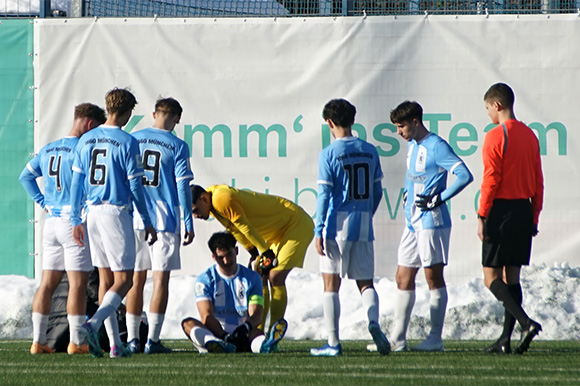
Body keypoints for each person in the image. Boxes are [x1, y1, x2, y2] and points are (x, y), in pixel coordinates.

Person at [70, 88, 158, 358]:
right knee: (125, 280)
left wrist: (76, 218)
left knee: (106, 280)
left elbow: (77, 182)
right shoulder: (127, 141)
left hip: (91, 213)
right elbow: (135, 185)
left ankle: (115, 346)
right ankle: (92, 325)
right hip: (115, 212)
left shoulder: (86, 140)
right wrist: (146, 218)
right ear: (128, 112)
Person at [19, 103, 106, 355]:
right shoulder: (82, 148)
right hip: (72, 219)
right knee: (77, 284)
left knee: (47, 283)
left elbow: (25, 177)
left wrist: (43, 202)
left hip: (52, 221)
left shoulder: (49, 148)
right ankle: (77, 341)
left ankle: (38, 341)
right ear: (90, 124)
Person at [389, 101, 473, 352]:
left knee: (432, 276)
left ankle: (435, 339)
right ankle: (398, 339)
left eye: (401, 126)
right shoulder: (412, 145)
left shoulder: (437, 146)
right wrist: (407, 196)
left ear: (415, 122)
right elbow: (414, 178)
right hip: (412, 222)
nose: (398, 132)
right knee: (403, 276)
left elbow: (465, 175)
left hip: (432, 222)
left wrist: (439, 198)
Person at [310, 98, 390, 357]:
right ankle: (374, 323)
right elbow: (377, 191)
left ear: (330, 123)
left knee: (330, 284)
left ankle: (333, 343)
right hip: (364, 222)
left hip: (337, 225)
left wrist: (319, 229)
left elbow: (324, 195)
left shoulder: (329, 153)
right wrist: (366, 213)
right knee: (365, 282)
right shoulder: (370, 149)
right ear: (353, 120)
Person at [190, 184, 314, 342]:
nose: (195, 216)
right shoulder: (214, 206)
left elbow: (244, 225)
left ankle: (274, 331)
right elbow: (235, 230)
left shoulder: (220, 198)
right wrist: (254, 252)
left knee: (275, 276)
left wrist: (265, 251)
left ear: (203, 199)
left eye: (194, 210)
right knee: (261, 274)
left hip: (295, 224)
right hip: (277, 233)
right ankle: (259, 332)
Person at [125, 97, 195, 354]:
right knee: (160, 280)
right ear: (177, 119)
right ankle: (152, 340)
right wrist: (188, 220)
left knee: (135, 279)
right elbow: (182, 186)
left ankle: (133, 339)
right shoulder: (177, 145)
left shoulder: (134, 138)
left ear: (154, 113)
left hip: (135, 218)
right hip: (164, 220)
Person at [478, 83, 543, 354]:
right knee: (512, 277)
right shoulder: (530, 135)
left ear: (497, 105)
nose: (488, 116)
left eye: (487, 109)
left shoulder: (496, 135)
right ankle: (505, 339)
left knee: (490, 277)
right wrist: (535, 216)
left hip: (501, 211)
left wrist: (482, 214)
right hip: (523, 210)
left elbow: (491, 179)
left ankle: (526, 323)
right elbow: (539, 181)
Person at [181, 231, 287, 354]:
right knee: (187, 323)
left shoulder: (252, 278)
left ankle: (264, 346)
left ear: (236, 251)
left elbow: (256, 313)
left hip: (243, 332)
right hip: (216, 332)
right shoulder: (205, 279)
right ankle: (215, 344)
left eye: (229, 255)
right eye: (221, 257)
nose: (226, 261)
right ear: (213, 257)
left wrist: (245, 328)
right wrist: (224, 335)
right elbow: (206, 316)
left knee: (256, 333)